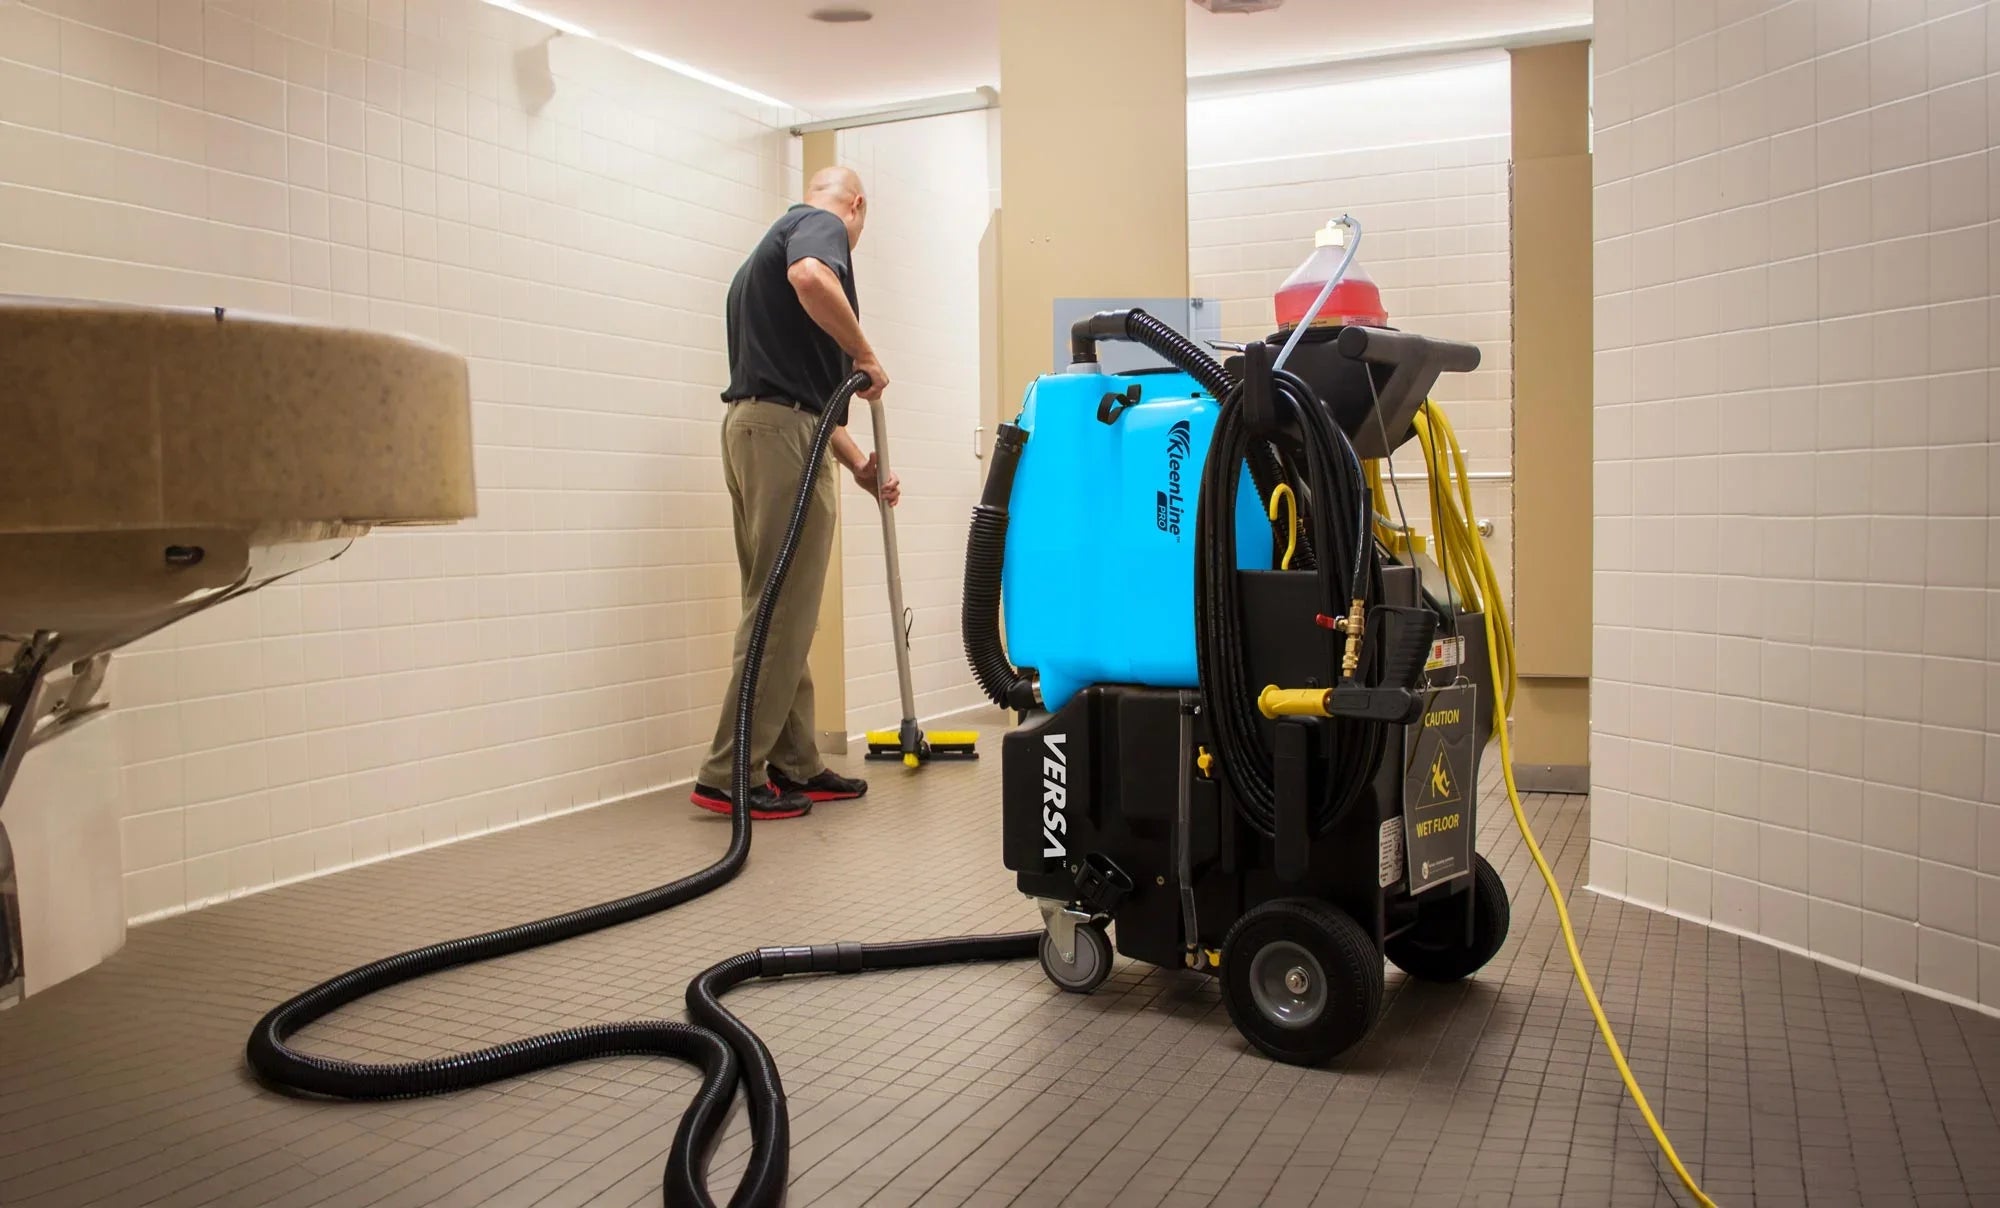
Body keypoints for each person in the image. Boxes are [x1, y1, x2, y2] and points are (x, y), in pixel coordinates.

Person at [690, 167, 900, 821]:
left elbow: (807, 398)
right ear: (857, 205)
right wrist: (865, 353)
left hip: (767, 430)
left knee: (784, 606)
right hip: (780, 435)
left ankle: (793, 760)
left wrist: (859, 465)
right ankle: (729, 774)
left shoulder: (766, 249)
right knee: (781, 609)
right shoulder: (819, 226)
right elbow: (811, 278)